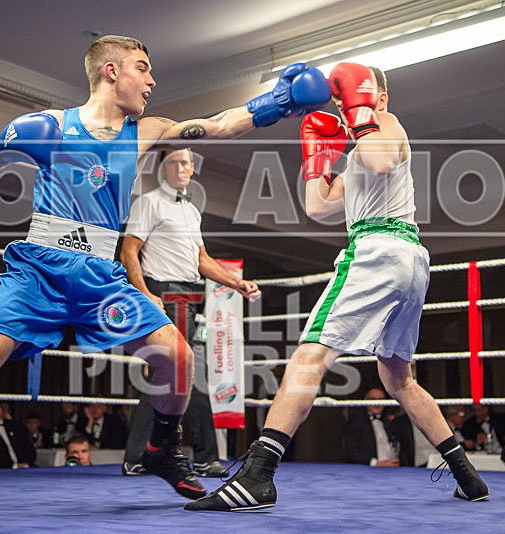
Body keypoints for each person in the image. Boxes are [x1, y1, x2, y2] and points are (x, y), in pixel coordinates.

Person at [0, 34, 330, 524]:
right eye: (143, 67)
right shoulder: (49, 126)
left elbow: (218, 125)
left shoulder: (147, 131)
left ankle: (161, 446)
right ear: (112, 71)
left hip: (102, 276)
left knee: (178, 358)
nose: (153, 79)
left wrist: (277, 102)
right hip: (41, 269)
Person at [186, 62, 488, 512]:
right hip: (410, 261)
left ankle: (257, 475)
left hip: (376, 250)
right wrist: (316, 158)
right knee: (398, 378)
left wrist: (363, 112)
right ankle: (466, 474)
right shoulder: (357, 154)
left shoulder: (386, 124)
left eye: (353, 97)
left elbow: (383, 157)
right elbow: (318, 207)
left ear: (374, 97)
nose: (343, 108)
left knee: (310, 355)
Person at [121, 147, 261, 477]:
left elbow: (202, 261)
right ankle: (203, 456)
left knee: (169, 376)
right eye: (175, 162)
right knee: (189, 374)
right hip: (164, 294)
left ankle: (139, 455)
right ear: (162, 167)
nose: (182, 168)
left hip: (189, 296)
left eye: (187, 162)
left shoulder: (191, 212)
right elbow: (129, 253)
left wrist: (237, 283)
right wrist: (146, 294)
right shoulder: (149, 202)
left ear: (193, 167)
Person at [343, 388, 398, 466]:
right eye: (373, 399)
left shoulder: (389, 421)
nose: (376, 403)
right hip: (369, 472)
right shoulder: (356, 421)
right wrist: (376, 463)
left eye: (380, 400)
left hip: (394, 470)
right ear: (366, 401)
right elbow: (350, 452)